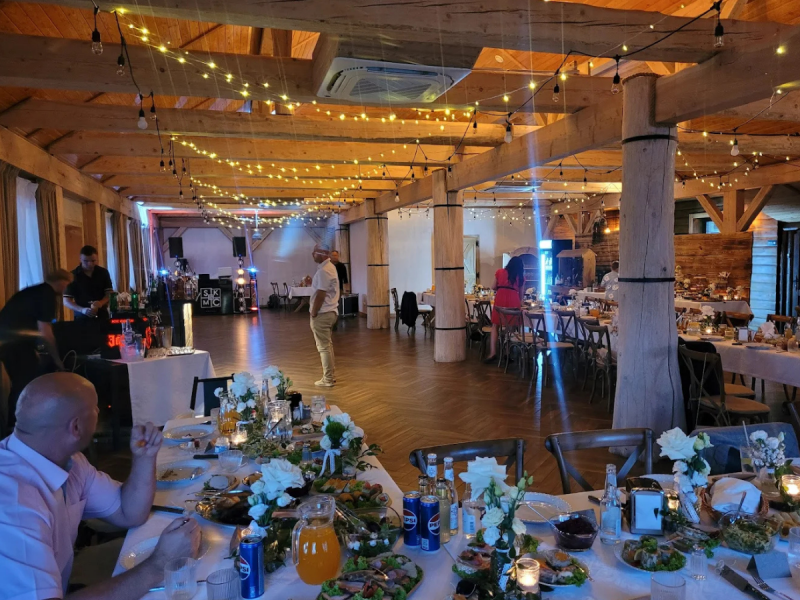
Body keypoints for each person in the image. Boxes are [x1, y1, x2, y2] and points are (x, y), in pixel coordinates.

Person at [0, 373, 200, 600]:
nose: (100, 412)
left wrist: (145, 457)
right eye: (95, 408)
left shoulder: (70, 462)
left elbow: (129, 512)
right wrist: (159, 565)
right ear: (76, 427)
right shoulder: (14, 505)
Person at [0, 269, 72, 428]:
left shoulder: (34, 291)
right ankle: (18, 426)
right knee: (26, 383)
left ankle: (16, 425)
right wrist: (57, 360)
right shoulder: (47, 295)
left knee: (22, 382)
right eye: (67, 284)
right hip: (13, 343)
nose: (66, 289)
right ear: (61, 282)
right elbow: (46, 332)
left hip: (7, 341)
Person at [309, 243, 340, 387]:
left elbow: (321, 294)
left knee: (323, 347)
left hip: (323, 313)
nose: (312, 254)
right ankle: (330, 375)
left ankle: (327, 379)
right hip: (330, 311)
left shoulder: (324, 270)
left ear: (321, 254)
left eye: (314, 252)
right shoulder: (329, 267)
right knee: (327, 345)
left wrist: (314, 311)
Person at [484, 256, 525, 363]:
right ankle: (507, 352)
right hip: (513, 300)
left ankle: (493, 353)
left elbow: (493, 287)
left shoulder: (500, 272)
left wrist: (502, 286)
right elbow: (521, 295)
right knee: (510, 327)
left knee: (495, 326)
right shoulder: (520, 277)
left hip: (500, 299)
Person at [63, 245, 114, 320]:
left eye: (93, 261)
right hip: (81, 316)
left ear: (97, 258)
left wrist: (101, 303)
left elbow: (109, 293)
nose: (90, 264)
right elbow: (66, 301)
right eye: (86, 261)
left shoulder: (103, 272)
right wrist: (82, 310)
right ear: (80, 259)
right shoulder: (73, 275)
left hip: (102, 315)